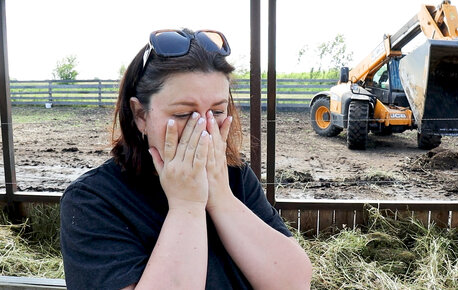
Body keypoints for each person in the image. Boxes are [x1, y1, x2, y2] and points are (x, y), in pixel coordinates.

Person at [60, 28, 312, 289]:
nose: (203, 128)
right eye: (183, 114)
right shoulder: (93, 200)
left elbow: (294, 283)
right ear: (140, 116)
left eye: (216, 111)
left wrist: (221, 198)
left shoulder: (235, 177)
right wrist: (186, 206)